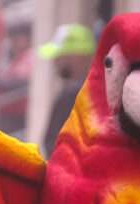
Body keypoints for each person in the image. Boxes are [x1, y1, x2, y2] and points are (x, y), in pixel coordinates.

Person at [38, 23, 95, 157]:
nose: (55, 62)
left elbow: (53, 144)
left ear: (79, 57)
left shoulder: (70, 95)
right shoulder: (106, 89)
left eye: (61, 56)